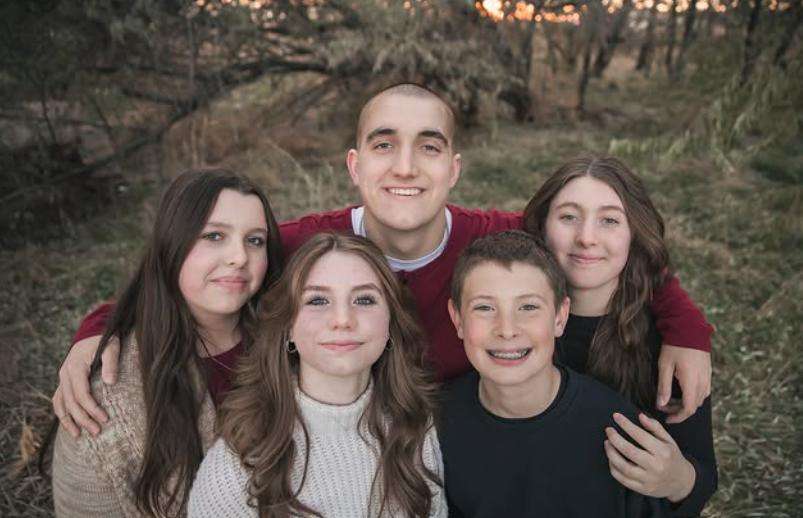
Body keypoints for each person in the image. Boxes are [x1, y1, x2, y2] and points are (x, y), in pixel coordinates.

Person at [52, 83, 714, 439]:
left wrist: (685, 326)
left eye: (427, 147)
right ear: (354, 164)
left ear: (453, 167)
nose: (403, 167)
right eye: (382, 144)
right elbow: (193, 268)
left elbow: (601, 247)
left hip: (466, 453)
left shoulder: (503, 239)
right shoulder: (304, 246)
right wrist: (99, 329)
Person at [49, 169, 283, 517]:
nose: (239, 256)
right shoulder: (109, 396)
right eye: (214, 235)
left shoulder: (291, 342)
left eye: (255, 240)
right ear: (172, 243)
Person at [187, 232, 445, 518]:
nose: (343, 320)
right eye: (318, 301)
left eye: (364, 299)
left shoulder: (414, 427)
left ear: (391, 323)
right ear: (288, 328)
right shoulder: (236, 466)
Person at [523, 156, 717, 516]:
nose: (586, 237)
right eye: (568, 217)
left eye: (609, 220)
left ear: (634, 235)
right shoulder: (511, 331)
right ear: (541, 227)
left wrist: (677, 480)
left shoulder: (669, 345)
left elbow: (703, 476)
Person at [440, 230, 666, 517]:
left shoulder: (617, 430)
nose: (507, 329)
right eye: (484, 307)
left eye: (529, 307)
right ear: (457, 319)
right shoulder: (434, 422)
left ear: (560, 317)